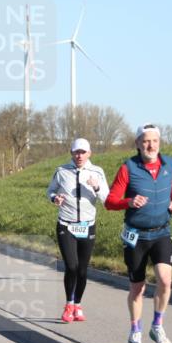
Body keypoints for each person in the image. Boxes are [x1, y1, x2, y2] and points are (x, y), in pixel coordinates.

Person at [105, 124, 172, 343]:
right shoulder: (128, 168)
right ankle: (135, 332)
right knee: (137, 288)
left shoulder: (170, 164)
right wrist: (128, 202)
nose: (151, 145)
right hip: (136, 236)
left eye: (154, 141)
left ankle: (157, 326)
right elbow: (110, 201)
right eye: (146, 141)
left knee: (165, 280)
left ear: (159, 142)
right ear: (138, 143)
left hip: (161, 232)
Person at [47, 138, 109, 323]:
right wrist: (54, 198)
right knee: (71, 266)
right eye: (76, 152)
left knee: (82, 270)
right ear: (71, 153)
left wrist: (96, 186)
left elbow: (107, 199)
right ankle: (68, 304)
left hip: (87, 225)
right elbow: (50, 191)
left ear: (89, 153)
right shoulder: (61, 171)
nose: (79, 156)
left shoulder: (97, 172)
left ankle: (78, 305)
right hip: (66, 225)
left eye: (83, 152)